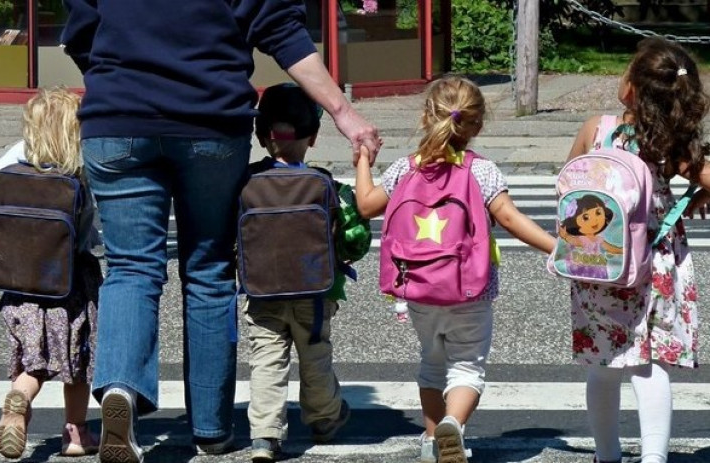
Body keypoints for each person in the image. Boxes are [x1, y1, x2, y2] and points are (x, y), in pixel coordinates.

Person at [60, 2, 381, 461]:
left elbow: (80, 31)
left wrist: (120, 79)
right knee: (209, 266)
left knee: (131, 267)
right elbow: (282, 32)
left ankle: (121, 392)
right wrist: (343, 113)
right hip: (208, 120)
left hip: (117, 118)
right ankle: (210, 429)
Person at [355, 75, 556, 463]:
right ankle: (453, 424)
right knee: (466, 366)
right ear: (477, 125)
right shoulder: (481, 172)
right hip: (470, 290)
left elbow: (365, 205)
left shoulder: (405, 168)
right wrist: (559, 249)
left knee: (431, 363)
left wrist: (363, 160)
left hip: (417, 287)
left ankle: (432, 445)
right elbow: (511, 220)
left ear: (426, 116)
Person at [565, 37, 708, 463]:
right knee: (651, 363)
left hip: (600, 260)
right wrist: (697, 195)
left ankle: (606, 455)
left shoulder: (597, 128)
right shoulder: (670, 142)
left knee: (602, 363)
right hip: (655, 260)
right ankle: (654, 458)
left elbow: (569, 184)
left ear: (631, 86)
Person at [242, 83, 370, 462]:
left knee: (266, 359)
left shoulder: (246, 183)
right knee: (315, 356)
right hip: (314, 294)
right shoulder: (323, 183)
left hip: (261, 290)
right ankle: (325, 418)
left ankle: (264, 435)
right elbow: (352, 237)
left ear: (262, 136)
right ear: (312, 138)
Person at [0, 87, 101, 459]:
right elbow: (86, 233)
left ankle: (19, 398)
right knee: (76, 361)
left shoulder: (7, 164)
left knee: (30, 356)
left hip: (17, 281)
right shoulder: (79, 172)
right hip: (67, 284)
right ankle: (76, 434)